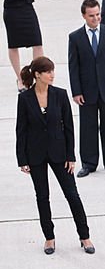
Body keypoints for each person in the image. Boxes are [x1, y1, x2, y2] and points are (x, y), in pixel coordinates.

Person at [16, 57, 93, 255]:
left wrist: (71, 156)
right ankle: (49, 238)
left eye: (53, 71)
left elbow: (68, 127)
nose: (52, 75)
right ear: (37, 75)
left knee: (72, 195)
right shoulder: (24, 99)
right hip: (35, 155)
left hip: (60, 153)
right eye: (48, 71)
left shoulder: (60, 95)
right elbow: (21, 130)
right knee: (42, 197)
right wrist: (22, 159)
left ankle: (85, 236)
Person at [67, 0, 105, 177]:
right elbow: (73, 67)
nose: (96, 18)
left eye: (98, 14)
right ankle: (89, 163)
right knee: (87, 127)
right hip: (87, 91)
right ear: (84, 16)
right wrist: (76, 92)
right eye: (91, 16)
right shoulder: (75, 37)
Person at [1, 0, 44, 91]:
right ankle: (20, 78)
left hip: (27, 9)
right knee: (13, 45)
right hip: (12, 12)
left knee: (37, 43)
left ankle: (38, 75)